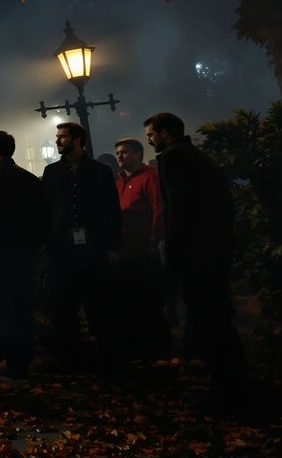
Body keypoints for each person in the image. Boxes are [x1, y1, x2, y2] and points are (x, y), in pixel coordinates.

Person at [145, 113, 249, 404]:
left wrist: (174, 250)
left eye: (152, 135)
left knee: (208, 319)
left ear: (165, 133)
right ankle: (233, 384)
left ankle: (227, 390)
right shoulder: (195, 156)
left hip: (196, 254)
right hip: (214, 249)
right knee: (217, 317)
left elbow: (177, 208)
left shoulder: (172, 158)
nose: (149, 140)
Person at [42, 121, 121, 375]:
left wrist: (112, 245)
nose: (57, 141)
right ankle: (71, 359)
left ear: (77, 140)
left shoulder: (99, 171)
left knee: (98, 305)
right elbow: (46, 210)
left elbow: (111, 210)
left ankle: (108, 359)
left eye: (62, 137)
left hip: (93, 247)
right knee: (63, 307)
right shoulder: (52, 172)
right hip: (61, 249)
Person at [0, 131, 47, 378]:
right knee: (23, 305)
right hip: (24, 251)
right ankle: (25, 356)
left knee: (3, 307)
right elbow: (40, 215)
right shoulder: (28, 178)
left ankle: (13, 361)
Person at [113, 137, 170, 358]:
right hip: (125, 248)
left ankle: (159, 346)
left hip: (144, 247)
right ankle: (138, 343)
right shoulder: (119, 181)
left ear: (138, 154)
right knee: (130, 298)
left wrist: (153, 240)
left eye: (125, 152)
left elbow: (158, 209)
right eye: (118, 152)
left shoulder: (149, 177)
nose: (120, 156)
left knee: (149, 299)